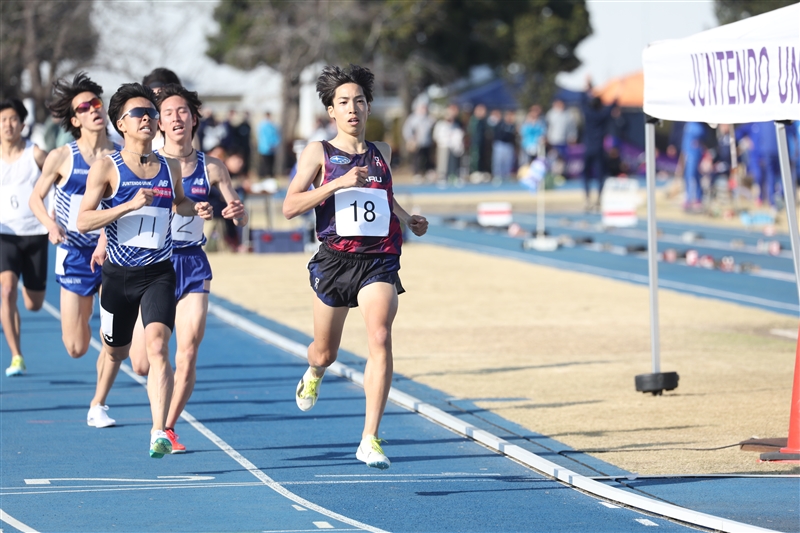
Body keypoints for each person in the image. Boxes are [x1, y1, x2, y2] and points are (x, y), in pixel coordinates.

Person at [282, 64, 428, 470]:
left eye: (359, 101)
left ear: (368, 107)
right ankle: (314, 370)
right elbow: (290, 206)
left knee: (379, 335)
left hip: (379, 259)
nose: (352, 109)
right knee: (325, 351)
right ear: (331, 111)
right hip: (334, 260)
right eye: (343, 102)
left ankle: (370, 438)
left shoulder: (382, 152)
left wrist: (406, 218)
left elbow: (383, 197)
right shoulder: (319, 153)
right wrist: (335, 184)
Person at [76, 83, 213, 458]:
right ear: (121, 123)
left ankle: (159, 431)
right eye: (140, 114)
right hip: (118, 276)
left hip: (158, 273)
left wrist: (196, 209)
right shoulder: (107, 166)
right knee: (117, 352)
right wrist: (126, 206)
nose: (149, 120)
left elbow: (181, 203)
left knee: (157, 348)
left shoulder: (168, 166)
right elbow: (84, 220)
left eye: (152, 114)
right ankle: (98, 401)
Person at [127, 83, 248, 453]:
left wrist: (235, 212)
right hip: (153, 263)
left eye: (183, 112)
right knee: (143, 362)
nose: (177, 118)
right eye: (169, 113)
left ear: (194, 119)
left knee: (188, 350)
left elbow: (237, 214)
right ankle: (161, 415)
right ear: (159, 123)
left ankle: (165, 427)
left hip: (193, 261)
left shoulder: (213, 167)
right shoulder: (150, 163)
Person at [28, 73, 121, 428]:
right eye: (86, 106)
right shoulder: (61, 157)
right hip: (73, 252)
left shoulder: (119, 154)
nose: (95, 109)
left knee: (112, 338)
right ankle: (86, 323)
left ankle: (98, 404)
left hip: (111, 251)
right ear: (74, 119)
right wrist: (51, 225)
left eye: (97, 103)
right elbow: (37, 199)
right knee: (77, 346)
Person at [0, 99, 48, 377]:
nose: (7, 124)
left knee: (34, 303)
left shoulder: (37, 154)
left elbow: (60, 177)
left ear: (22, 123)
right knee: (6, 291)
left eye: (12, 119)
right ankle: (16, 355)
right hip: (5, 235)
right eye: (3, 120)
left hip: (35, 234)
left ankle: (22, 287)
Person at [581, 80, 617, 211]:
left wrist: (587, 87)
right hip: (599, 149)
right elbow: (612, 106)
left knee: (585, 174)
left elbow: (583, 101)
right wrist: (616, 94)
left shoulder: (588, 114)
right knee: (600, 174)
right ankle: (599, 199)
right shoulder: (602, 115)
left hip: (588, 148)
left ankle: (587, 197)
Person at [402, 103, 435, 182]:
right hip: (417, 142)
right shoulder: (413, 118)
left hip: (427, 142)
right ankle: (417, 173)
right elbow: (407, 130)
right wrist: (410, 139)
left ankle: (428, 172)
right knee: (417, 158)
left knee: (427, 157)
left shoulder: (428, 118)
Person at [257, 111, 280, 177]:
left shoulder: (273, 125)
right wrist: (267, 145)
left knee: (271, 163)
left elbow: (276, 136)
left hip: (272, 148)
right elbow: (262, 137)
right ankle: (263, 175)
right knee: (264, 162)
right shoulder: (262, 125)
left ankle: (270, 175)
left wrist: (275, 144)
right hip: (265, 148)